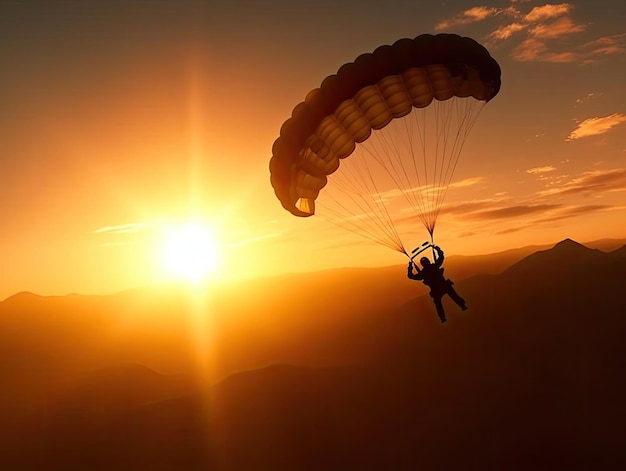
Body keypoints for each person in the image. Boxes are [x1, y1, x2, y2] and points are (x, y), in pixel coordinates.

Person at [407, 245, 467, 324]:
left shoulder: (423, 273)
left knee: (438, 304)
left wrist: (410, 266)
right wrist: (436, 248)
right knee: (453, 294)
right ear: (428, 261)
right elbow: (441, 256)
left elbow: (410, 276)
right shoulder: (435, 266)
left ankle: (442, 318)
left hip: (436, 291)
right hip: (444, 286)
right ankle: (462, 305)